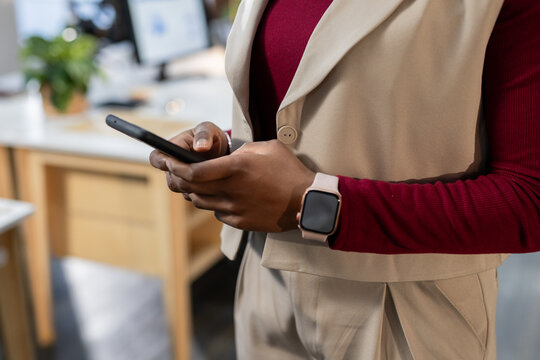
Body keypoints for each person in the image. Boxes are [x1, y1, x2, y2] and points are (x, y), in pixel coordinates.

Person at [150, 0, 540, 358]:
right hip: (266, 285)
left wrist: (316, 204)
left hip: (406, 310)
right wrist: (232, 154)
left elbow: (528, 198)